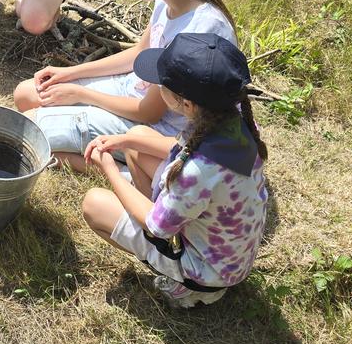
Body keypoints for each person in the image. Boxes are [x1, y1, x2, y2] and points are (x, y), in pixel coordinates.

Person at [14, 0, 236, 171]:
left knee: (30, 131)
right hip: (132, 89)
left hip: (157, 126)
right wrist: (70, 73)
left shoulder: (199, 32)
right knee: (26, 94)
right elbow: (140, 52)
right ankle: (117, 156)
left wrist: (80, 94)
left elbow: (149, 112)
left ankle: (133, 166)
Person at [80, 32, 269, 308]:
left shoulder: (198, 172)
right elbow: (176, 147)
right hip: (227, 256)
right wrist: (126, 140)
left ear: (187, 104)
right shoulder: (230, 121)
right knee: (139, 138)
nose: (155, 86)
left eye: (162, 85)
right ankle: (163, 219)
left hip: (205, 273)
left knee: (94, 204)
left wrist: (108, 166)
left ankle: (182, 287)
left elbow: (155, 227)